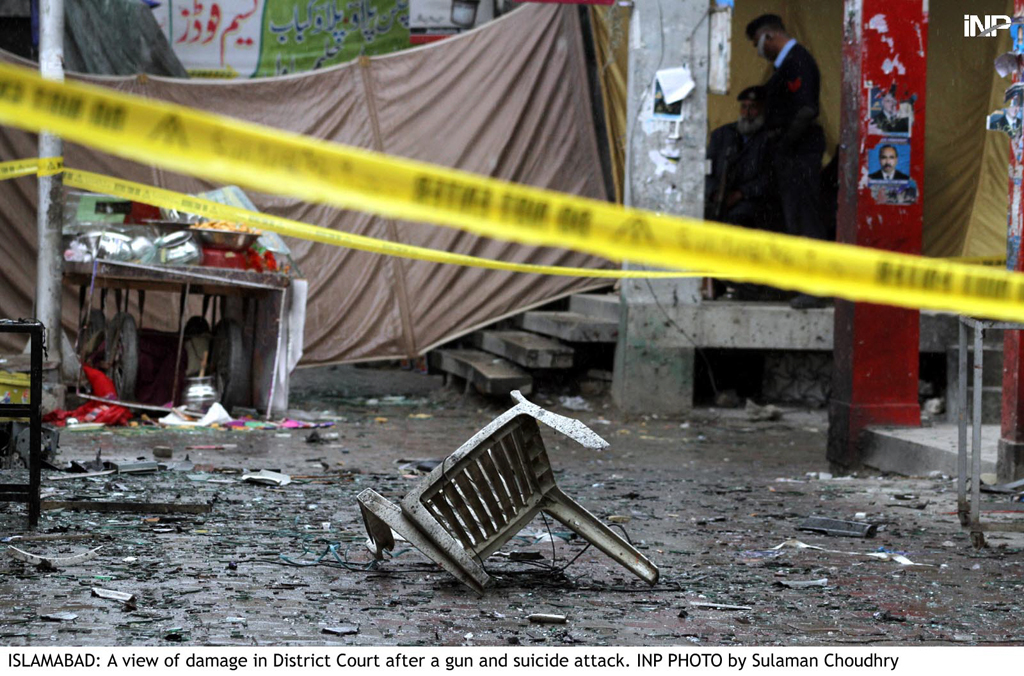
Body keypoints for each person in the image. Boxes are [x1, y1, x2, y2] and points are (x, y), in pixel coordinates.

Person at [747, 13, 827, 309]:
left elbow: (807, 109)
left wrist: (785, 144)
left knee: (805, 219)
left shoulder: (797, 61)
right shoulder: (785, 65)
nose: (759, 51)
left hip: (799, 153)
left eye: (758, 44)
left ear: (770, 36)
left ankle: (816, 286)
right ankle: (798, 284)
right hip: (790, 153)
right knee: (791, 219)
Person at [705, 85, 777, 231]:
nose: (747, 113)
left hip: (749, 202)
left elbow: (770, 178)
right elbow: (705, 169)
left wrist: (741, 193)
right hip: (718, 198)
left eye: (753, 107)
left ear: (763, 110)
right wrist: (714, 192)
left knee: (738, 221)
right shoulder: (721, 135)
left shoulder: (770, 140)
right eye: (744, 107)